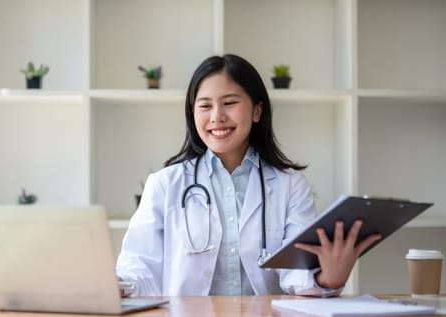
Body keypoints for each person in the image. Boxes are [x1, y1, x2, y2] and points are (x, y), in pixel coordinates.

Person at [116, 54, 381, 296]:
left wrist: (329, 278)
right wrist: (117, 287)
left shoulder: (289, 185)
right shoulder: (165, 185)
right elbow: (140, 271)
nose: (217, 116)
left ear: (257, 111)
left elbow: (296, 275)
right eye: (205, 106)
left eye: (229, 103)